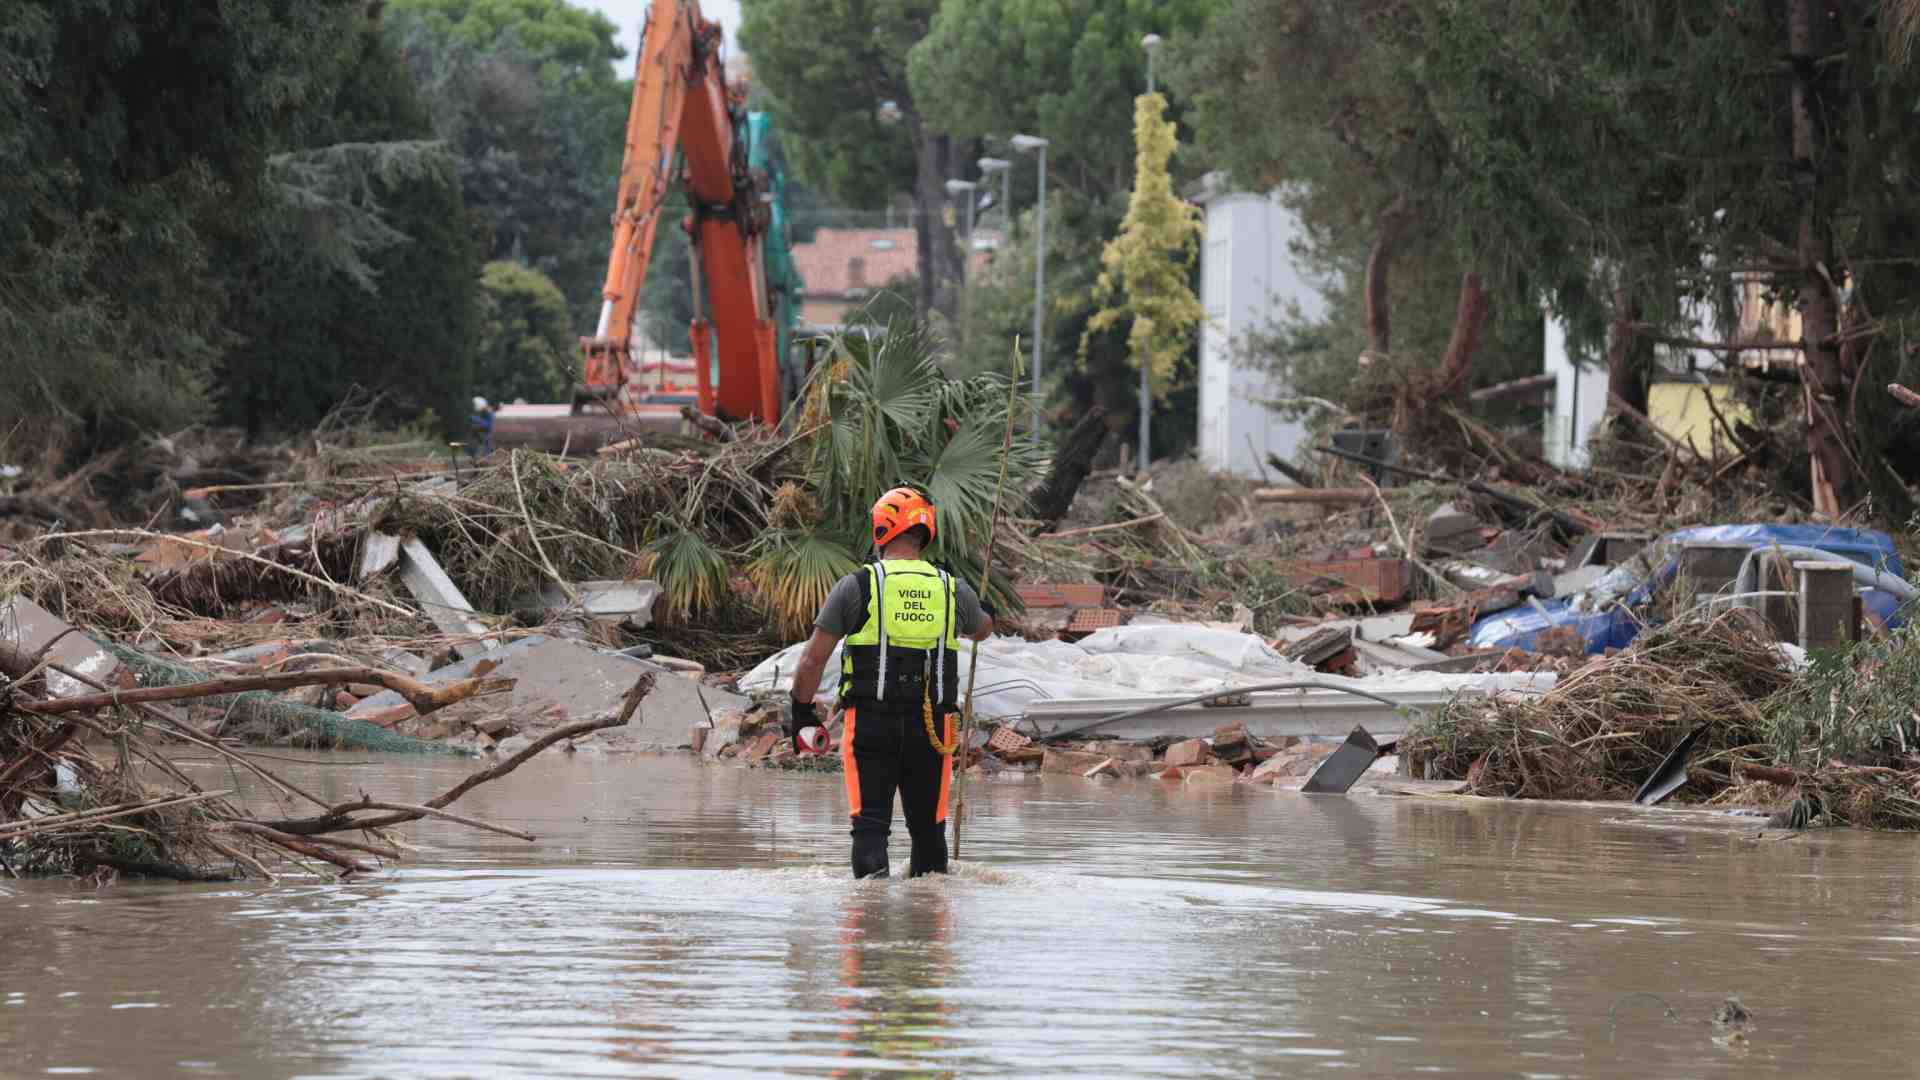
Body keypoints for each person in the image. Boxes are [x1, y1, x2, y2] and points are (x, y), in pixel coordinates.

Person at [788, 486, 994, 879]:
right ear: (926, 532)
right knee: (929, 834)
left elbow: (812, 659)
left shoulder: (858, 585)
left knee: (869, 830)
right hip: (933, 730)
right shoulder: (952, 588)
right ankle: (930, 928)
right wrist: (987, 610)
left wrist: (800, 710)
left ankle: (868, 928)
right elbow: (982, 629)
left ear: (880, 529)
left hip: (870, 726)